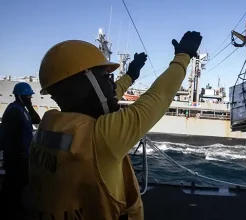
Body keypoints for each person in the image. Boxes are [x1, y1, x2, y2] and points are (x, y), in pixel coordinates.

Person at [25, 31, 202, 220]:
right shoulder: (101, 136)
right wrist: (183, 56)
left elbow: (103, 95)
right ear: (84, 85)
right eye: (106, 77)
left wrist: (131, 75)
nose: (112, 83)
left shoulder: (48, 128)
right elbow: (159, 96)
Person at [0, 82, 41, 220]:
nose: (30, 98)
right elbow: (12, 136)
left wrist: (29, 106)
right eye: (27, 96)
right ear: (19, 96)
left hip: (21, 156)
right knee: (14, 186)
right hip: (16, 157)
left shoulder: (22, 109)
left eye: (30, 96)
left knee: (18, 185)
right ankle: (11, 212)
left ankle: (14, 210)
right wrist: (22, 154)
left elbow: (37, 120)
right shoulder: (14, 111)